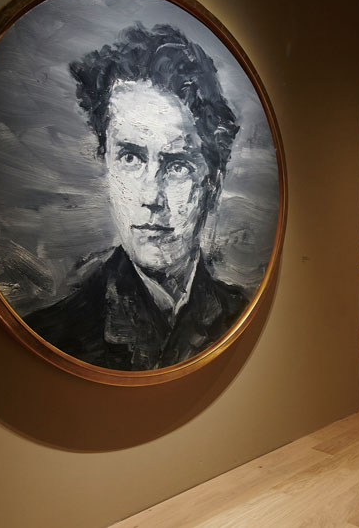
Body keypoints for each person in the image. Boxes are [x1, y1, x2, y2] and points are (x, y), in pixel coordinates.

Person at [26, 23, 248, 371]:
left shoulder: (241, 316)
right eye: (130, 158)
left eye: (177, 165)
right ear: (107, 166)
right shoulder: (55, 335)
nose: (151, 197)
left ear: (213, 183)